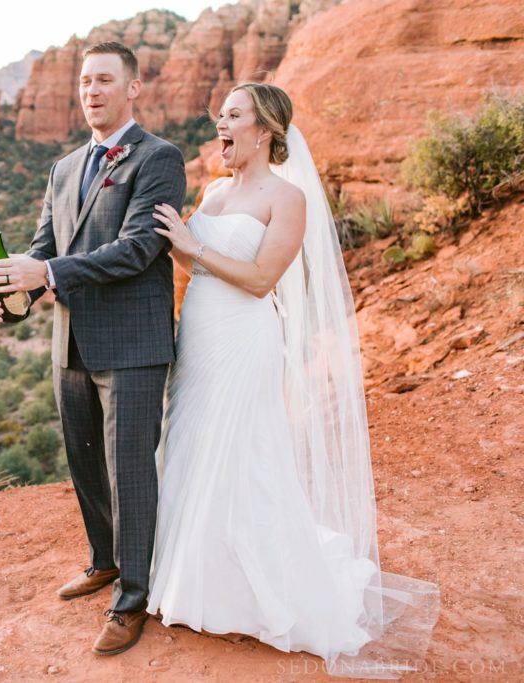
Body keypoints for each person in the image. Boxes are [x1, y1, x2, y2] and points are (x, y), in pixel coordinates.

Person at [147, 82, 438, 677]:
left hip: (246, 337)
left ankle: (256, 592)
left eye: (233, 116)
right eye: (219, 116)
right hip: (198, 334)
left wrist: (191, 245)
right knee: (191, 445)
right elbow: (191, 256)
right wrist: (174, 239)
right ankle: (189, 577)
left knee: (244, 451)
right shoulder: (214, 189)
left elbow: (259, 279)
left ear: (265, 131)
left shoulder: (289, 198)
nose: (220, 126)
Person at [0, 41, 185, 655]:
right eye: (84, 82)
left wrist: (43, 276)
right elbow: (45, 247)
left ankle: (133, 598)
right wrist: (15, 290)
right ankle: (104, 559)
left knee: (129, 474)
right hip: (70, 341)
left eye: (104, 80)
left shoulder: (160, 158)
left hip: (131, 344)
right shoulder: (64, 167)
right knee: (85, 461)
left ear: (133, 88)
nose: (91, 91)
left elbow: (136, 250)